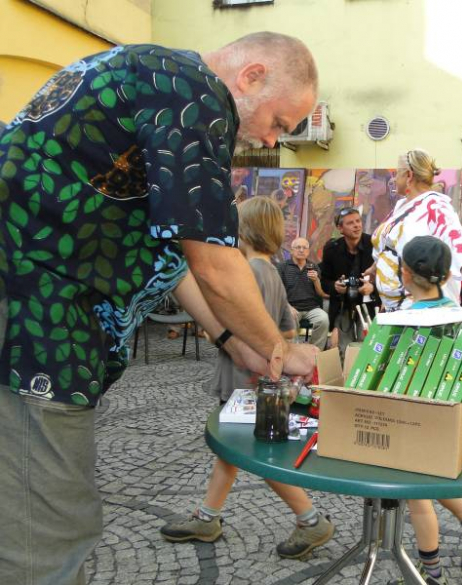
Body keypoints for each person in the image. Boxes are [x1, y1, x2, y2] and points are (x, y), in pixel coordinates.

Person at [0, 32, 320, 585]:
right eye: (280, 122)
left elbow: (175, 261)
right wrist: (279, 348)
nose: (273, 138)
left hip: (36, 318)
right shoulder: (194, 94)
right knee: (49, 536)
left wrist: (233, 342)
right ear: (251, 77)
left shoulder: (154, 77)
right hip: (35, 329)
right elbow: (213, 262)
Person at [160, 197, 334, 557]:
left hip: (244, 380)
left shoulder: (248, 273)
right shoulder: (271, 272)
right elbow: (287, 330)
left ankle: (311, 520)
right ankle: (208, 517)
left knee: (254, 453)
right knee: (231, 452)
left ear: (241, 231)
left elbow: (224, 327)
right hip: (260, 379)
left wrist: (218, 334)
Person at [391, 236, 462, 585]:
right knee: (430, 481)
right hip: (449, 416)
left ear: (405, 273)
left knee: (416, 496)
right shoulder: (461, 313)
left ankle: (431, 574)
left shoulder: (402, 320)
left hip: (412, 418)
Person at [372, 148, 462, 311]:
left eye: (397, 173)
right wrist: (376, 269)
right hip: (397, 309)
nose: (394, 179)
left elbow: (455, 239)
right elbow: (389, 246)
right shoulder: (401, 206)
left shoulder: (435, 206)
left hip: (423, 310)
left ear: (409, 175)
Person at [320, 207, 377, 353]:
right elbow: (324, 281)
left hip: (369, 305)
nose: (357, 225)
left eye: (358, 221)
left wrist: (372, 287)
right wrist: (335, 286)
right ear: (340, 228)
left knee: (366, 348)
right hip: (342, 305)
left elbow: (388, 277)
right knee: (344, 350)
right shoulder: (332, 249)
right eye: (351, 223)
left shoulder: (374, 245)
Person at [278, 237, 330, 349]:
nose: (301, 250)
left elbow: (320, 293)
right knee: (289, 319)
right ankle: (293, 352)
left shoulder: (313, 267)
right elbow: (278, 292)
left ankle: (315, 352)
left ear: (308, 251)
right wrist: (287, 307)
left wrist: (316, 280)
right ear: (291, 250)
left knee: (323, 318)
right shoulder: (283, 267)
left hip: (311, 308)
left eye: (304, 248)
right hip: (292, 307)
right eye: (298, 247)